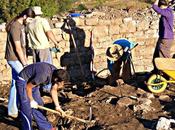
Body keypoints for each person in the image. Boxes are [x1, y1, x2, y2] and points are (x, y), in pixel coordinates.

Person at [16, 62, 69, 130]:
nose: (62, 85)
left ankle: (46, 128)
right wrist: (31, 100)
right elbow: (28, 87)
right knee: (26, 107)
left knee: (39, 104)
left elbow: (53, 90)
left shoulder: (57, 74)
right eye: (62, 83)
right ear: (56, 79)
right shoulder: (43, 75)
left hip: (34, 83)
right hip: (23, 81)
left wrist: (57, 107)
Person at [5, 8, 35, 118]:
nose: (31, 22)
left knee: (15, 82)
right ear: (25, 16)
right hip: (14, 58)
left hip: (18, 58)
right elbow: (17, 48)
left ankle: (12, 110)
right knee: (25, 79)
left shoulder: (21, 26)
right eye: (30, 19)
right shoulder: (15, 27)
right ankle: (26, 105)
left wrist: (25, 59)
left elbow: (23, 46)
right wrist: (25, 65)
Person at [152, 0, 174, 73]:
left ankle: (166, 75)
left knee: (164, 59)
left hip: (166, 39)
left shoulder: (167, 12)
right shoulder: (167, 11)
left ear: (161, 6)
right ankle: (156, 71)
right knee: (156, 56)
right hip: (162, 37)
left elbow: (155, 7)